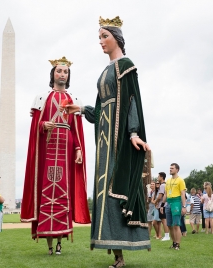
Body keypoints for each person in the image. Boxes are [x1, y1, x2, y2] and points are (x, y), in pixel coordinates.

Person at [64, 16, 151, 267]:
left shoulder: (126, 65)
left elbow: (132, 101)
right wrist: (80, 109)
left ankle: (122, 251)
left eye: (105, 36)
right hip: (103, 139)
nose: (101, 42)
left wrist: (133, 133)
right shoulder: (105, 71)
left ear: (117, 38)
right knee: (103, 193)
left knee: (115, 190)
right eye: (99, 38)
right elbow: (102, 107)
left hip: (119, 139)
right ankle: (116, 254)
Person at [20, 56, 90, 256]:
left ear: (68, 76)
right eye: (59, 71)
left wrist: (78, 149)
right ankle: (49, 245)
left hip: (66, 154)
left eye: (65, 72)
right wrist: (43, 125)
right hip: (47, 152)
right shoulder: (42, 98)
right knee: (46, 196)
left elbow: (76, 130)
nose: (62, 74)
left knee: (63, 197)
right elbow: (35, 127)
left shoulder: (74, 100)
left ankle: (60, 243)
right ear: (53, 74)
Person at [162, 163, 186, 250]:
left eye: (172, 168)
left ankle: (178, 244)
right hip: (168, 203)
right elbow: (165, 194)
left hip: (176, 202)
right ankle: (174, 242)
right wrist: (162, 205)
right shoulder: (168, 181)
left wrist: (184, 206)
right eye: (170, 168)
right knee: (169, 225)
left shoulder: (180, 180)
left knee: (176, 224)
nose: (170, 169)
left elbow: (183, 194)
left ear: (177, 170)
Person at [156, 172, 170, 241]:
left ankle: (167, 235)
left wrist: (155, 202)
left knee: (164, 220)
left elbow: (160, 196)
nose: (158, 178)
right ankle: (167, 235)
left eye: (158, 176)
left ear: (162, 177)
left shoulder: (162, 186)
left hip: (162, 205)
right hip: (166, 204)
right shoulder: (166, 184)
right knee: (165, 220)